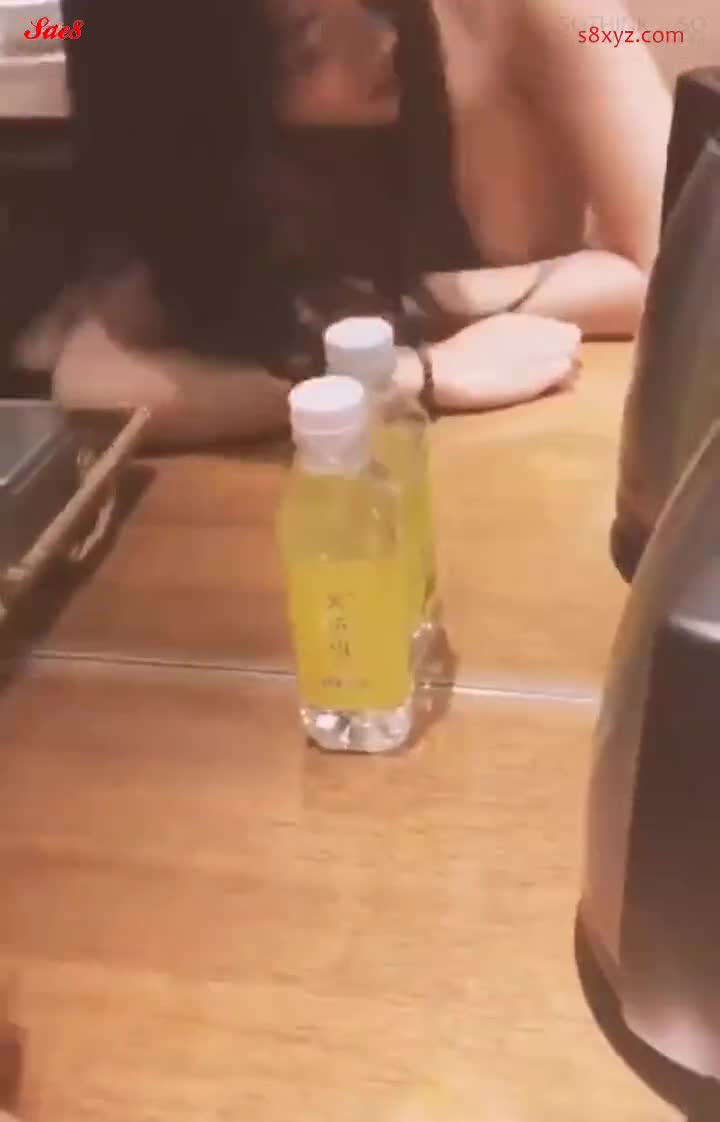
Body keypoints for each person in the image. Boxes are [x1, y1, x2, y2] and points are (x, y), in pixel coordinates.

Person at [37, 0, 671, 446]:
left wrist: (402, 302)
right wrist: (401, 377)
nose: (376, 38)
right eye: (303, 52)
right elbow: (93, 377)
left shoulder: (555, 13)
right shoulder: (208, 143)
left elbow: (689, 269)